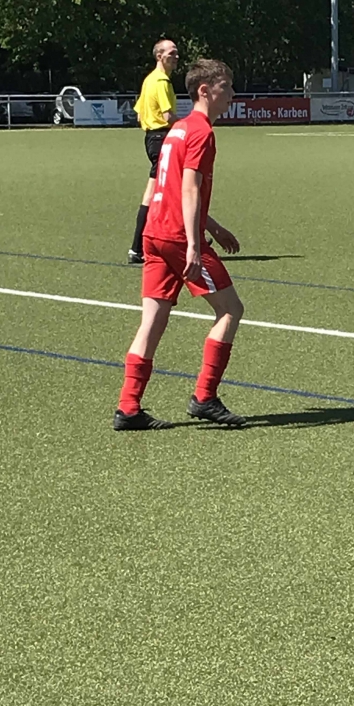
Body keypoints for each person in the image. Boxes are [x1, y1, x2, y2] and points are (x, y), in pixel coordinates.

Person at [114, 59, 247, 430]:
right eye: (226, 87)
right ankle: (205, 396)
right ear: (204, 91)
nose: (232, 94)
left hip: (154, 233)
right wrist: (194, 244)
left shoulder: (178, 129)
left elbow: (170, 187)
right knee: (230, 310)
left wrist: (213, 225)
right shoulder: (201, 131)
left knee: (152, 321)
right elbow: (189, 188)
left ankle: (128, 407)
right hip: (176, 236)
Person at [127, 38, 180, 265]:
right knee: (172, 190)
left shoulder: (149, 80)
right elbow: (168, 117)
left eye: (176, 53)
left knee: (167, 191)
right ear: (159, 56)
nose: (176, 57)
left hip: (151, 138)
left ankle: (139, 247)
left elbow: (139, 114)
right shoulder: (161, 81)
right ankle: (139, 247)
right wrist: (190, 127)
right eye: (172, 53)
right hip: (163, 139)